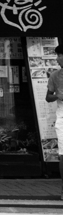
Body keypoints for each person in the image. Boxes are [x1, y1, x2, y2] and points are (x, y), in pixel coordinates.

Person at [46, 45, 63, 200]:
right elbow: (48, 97)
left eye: (60, 55)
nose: (58, 58)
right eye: (58, 55)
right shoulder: (54, 76)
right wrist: (58, 95)